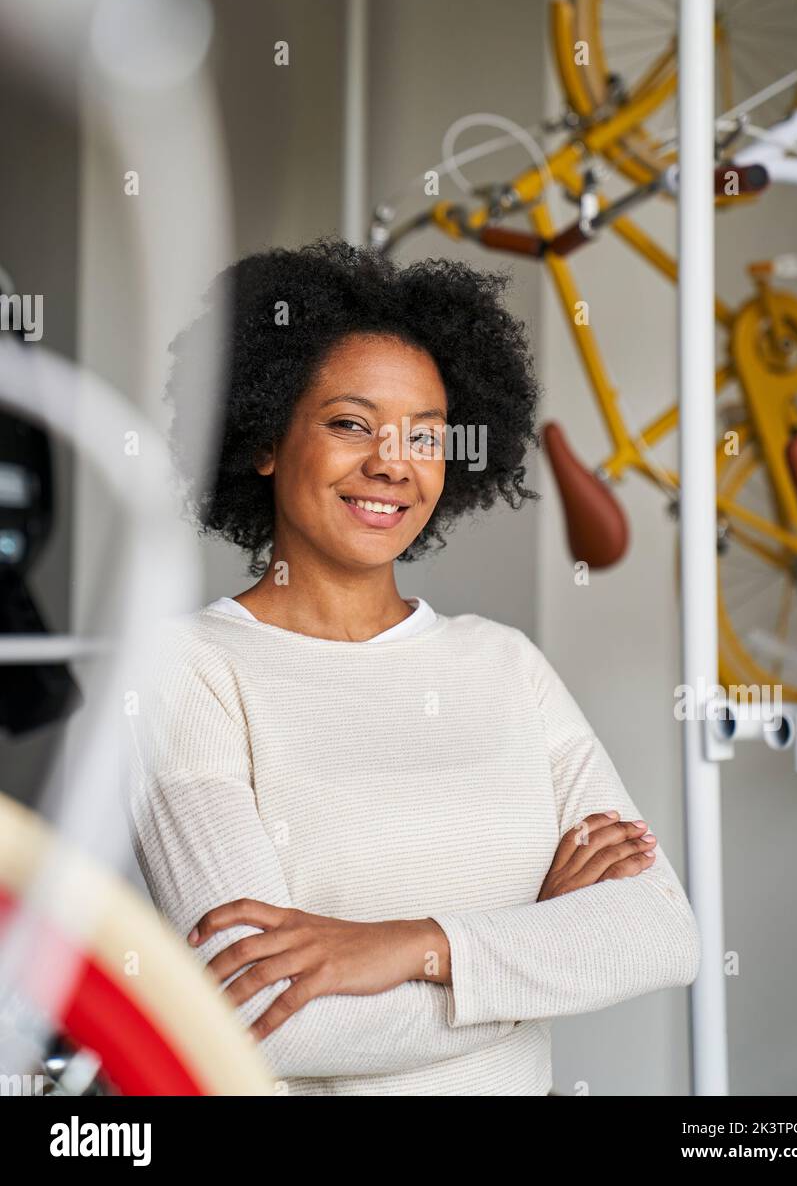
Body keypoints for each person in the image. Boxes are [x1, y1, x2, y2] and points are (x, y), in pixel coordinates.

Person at [125, 237, 700, 1097]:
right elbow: (267, 1019)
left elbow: (662, 934)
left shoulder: (506, 664)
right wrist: (533, 946)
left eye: (424, 436)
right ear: (265, 441)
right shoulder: (189, 671)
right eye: (350, 423)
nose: (393, 463)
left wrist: (416, 945)